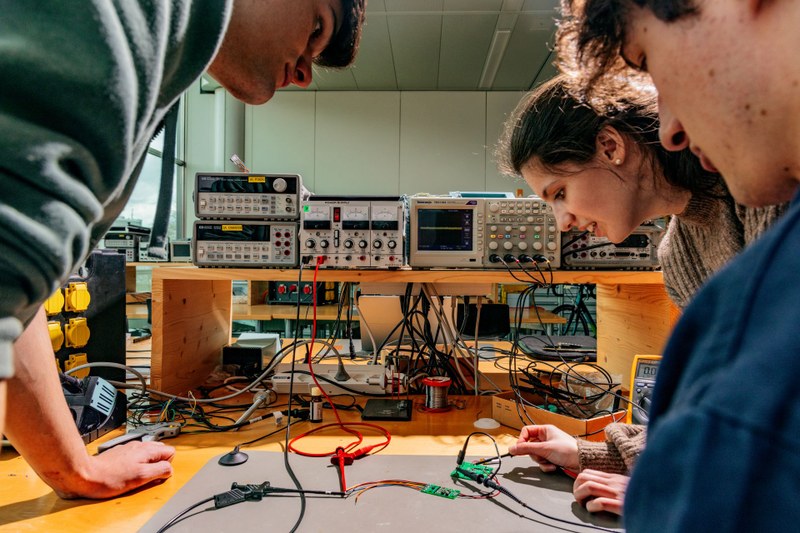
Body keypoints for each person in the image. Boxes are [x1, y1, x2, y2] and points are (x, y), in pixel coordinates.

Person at [0, 0, 366, 500]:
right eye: (317, 26)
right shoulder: (121, 20)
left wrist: (71, 467)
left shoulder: (155, 45)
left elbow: (16, 298)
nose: (304, 72)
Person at [545, 0, 800, 530]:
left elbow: (738, 463)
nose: (669, 133)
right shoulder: (690, 250)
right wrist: (599, 453)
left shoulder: (770, 221)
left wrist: (657, 481)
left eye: (651, 64)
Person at [497, 72, 786, 516]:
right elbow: (714, 408)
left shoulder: (766, 193)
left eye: (560, 193)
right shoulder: (679, 251)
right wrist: (588, 452)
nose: (563, 222)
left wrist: (672, 490)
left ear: (610, 147)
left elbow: (778, 414)